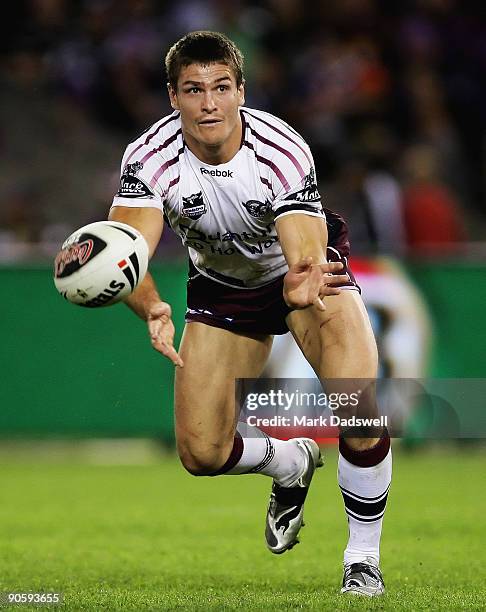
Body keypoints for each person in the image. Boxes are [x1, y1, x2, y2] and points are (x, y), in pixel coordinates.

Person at [109, 31, 391, 597]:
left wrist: (304, 279)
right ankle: (288, 461)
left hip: (303, 275)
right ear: (173, 96)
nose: (208, 102)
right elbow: (126, 250)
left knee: (358, 409)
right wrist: (153, 306)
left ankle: (362, 560)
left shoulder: (281, 150)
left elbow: (305, 252)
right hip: (222, 286)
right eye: (193, 90)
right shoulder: (148, 157)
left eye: (220, 87)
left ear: (241, 91)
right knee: (202, 454)